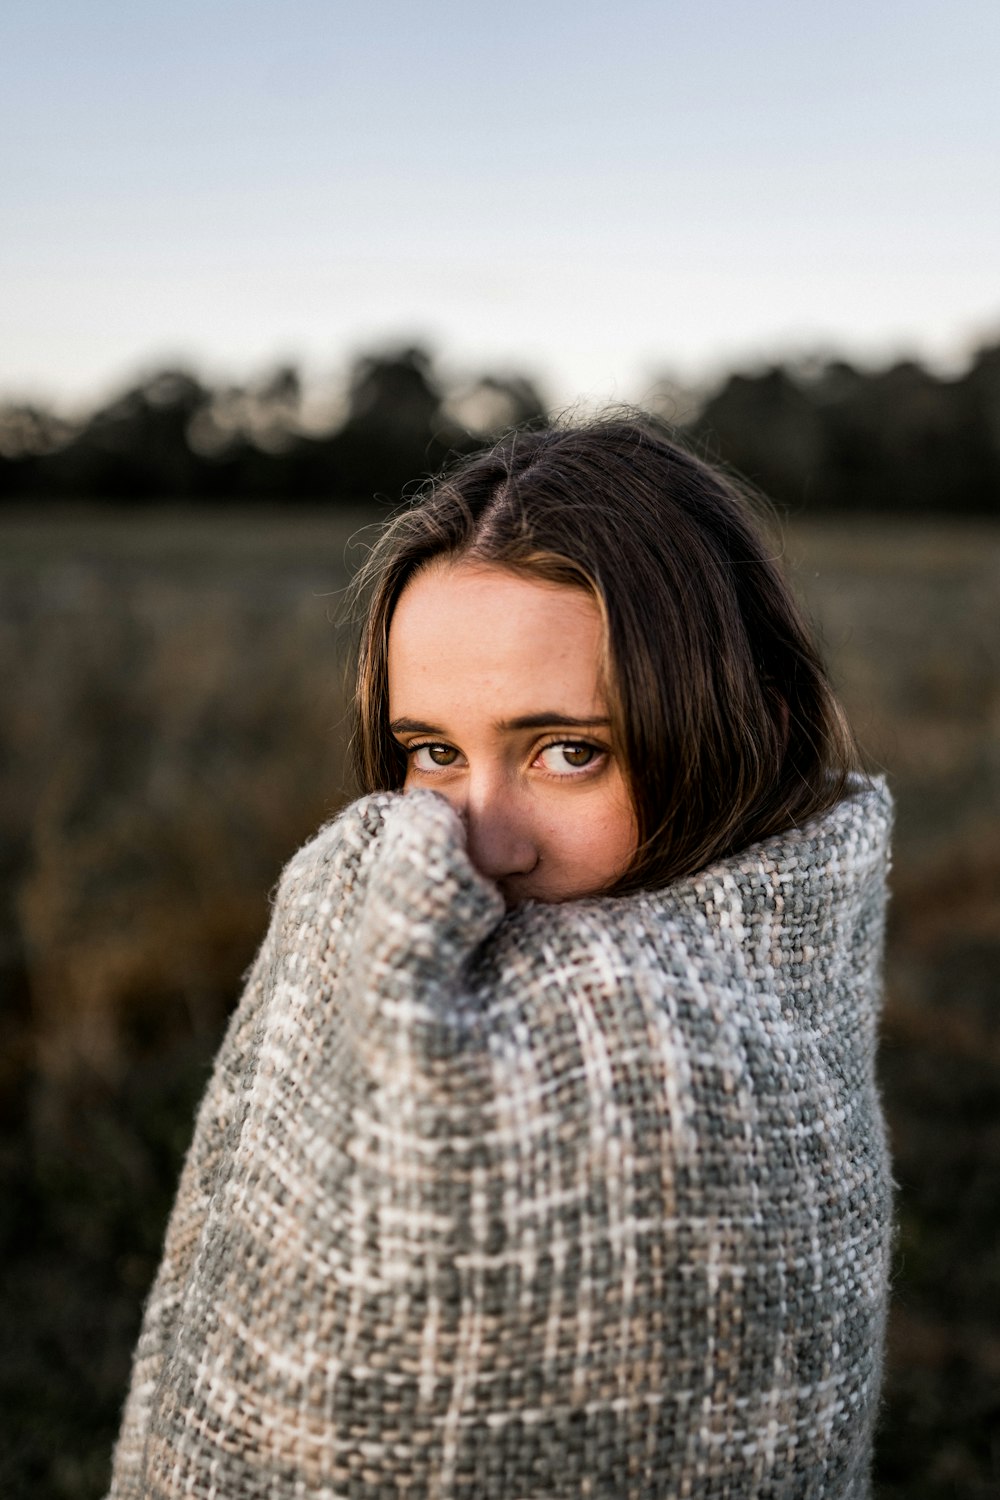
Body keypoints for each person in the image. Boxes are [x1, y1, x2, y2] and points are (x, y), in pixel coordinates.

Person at [107, 416, 893, 1499]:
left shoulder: (717, 1072)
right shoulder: (354, 978)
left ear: (733, 729)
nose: (478, 846)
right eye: (431, 752)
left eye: (569, 752)